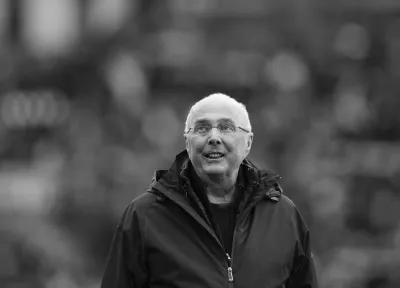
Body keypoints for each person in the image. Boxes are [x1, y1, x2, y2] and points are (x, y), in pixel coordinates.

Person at [100, 93, 319, 288]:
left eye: (226, 127)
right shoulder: (145, 215)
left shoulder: (284, 215)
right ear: (187, 142)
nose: (214, 137)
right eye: (202, 128)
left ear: (248, 142)